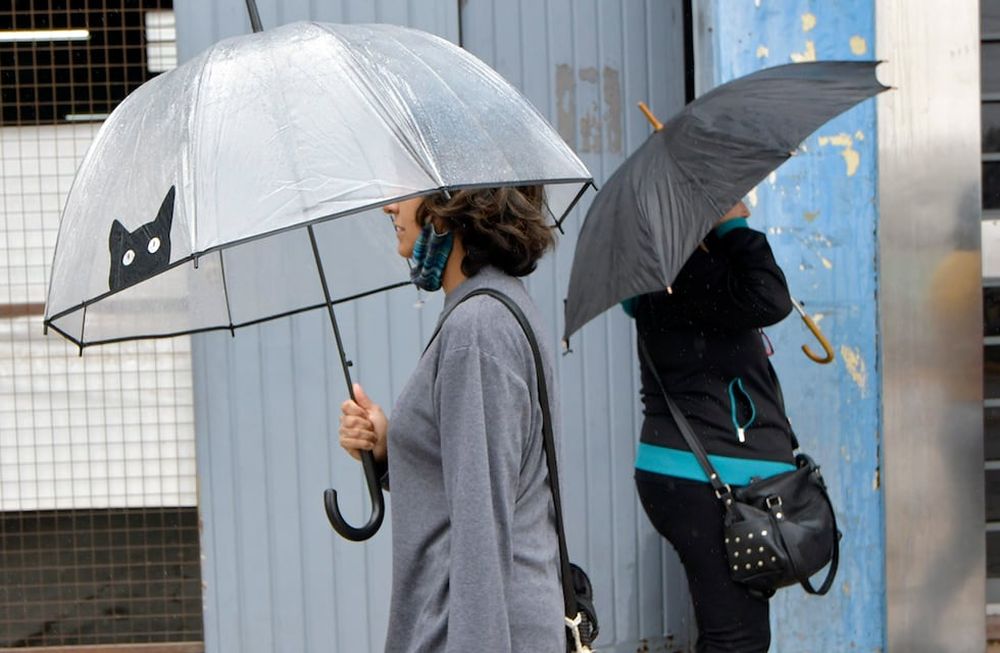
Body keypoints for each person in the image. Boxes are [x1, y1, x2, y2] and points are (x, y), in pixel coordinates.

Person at [338, 187, 565, 653]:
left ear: (451, 204)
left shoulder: (476, 329)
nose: (389, 206)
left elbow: (481, 534)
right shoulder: (494, 307)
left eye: (405, 189)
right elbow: (473, 485)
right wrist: (388, 450)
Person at [626, 200, 797, 652]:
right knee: (736, 639)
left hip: (697, 474)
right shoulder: (685, 272)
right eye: (732, 199)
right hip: (706, 477)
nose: (745, 205)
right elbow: (770, 296)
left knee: (735, 633)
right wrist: (732, 225)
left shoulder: (680, 273)